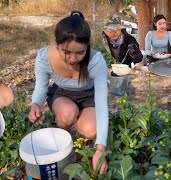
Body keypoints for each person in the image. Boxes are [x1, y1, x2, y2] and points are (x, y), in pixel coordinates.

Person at [28, 11, 108, 174]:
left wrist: (101, 149)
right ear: (57, 44)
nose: (73, 59)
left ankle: (82, 141)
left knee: (90, 129)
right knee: (67, 114)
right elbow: (41, 87)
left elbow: (101, 105)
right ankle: (66, 144)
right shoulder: (45, 57)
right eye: (66, 52)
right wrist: (35, 104)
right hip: (61, 94)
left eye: (80, 52)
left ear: (87, 47)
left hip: (88, 96)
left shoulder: (96, 61)